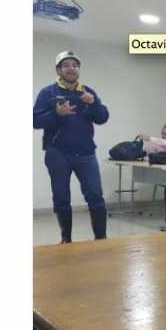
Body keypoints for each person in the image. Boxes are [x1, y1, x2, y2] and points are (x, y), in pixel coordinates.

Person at [33, 51, 109, 243]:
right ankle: (66, 240)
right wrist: (56, 113)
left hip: (86, 154)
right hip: (58, 154)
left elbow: (102, 118)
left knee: (96, 196)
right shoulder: (48, 92)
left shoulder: (87, 92)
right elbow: (35, 120)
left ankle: (101, 239)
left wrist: (93, 104)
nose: (71, 68)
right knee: (61, 198)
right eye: (66, 65)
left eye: (75, 65)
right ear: (58, 70)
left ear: (79, 69)